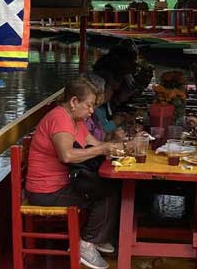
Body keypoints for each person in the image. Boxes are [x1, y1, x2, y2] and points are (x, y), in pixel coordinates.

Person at [25, 77, 126, 269]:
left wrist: (119, 147)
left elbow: (96, 144)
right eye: (88, 105)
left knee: (113, 186)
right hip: (46, 191)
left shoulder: (76, 120)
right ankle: (86, 245)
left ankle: (98, 237)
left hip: (63, 183)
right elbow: (67, 155)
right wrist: (103, 149)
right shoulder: (60, 118)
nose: (91, 111)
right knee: (106, 193)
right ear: (73, 102)